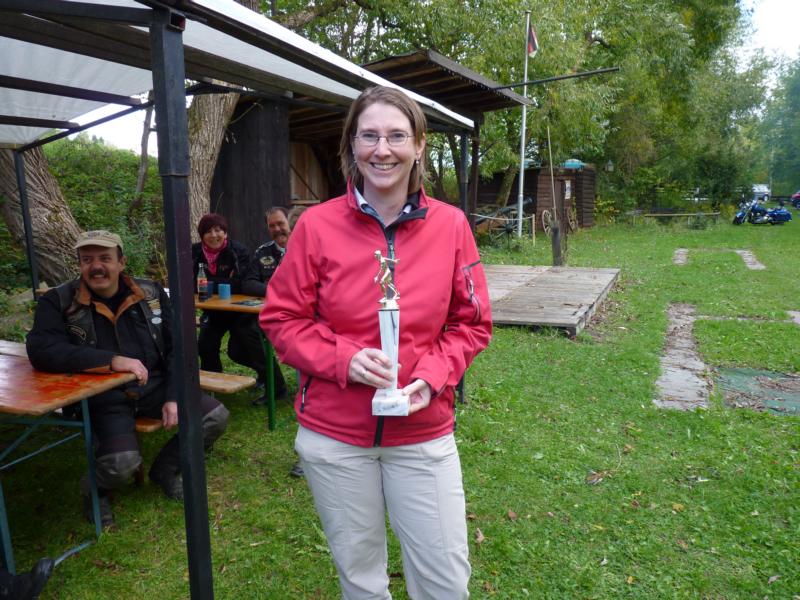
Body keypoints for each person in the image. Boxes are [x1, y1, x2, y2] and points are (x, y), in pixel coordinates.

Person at [260, 86, 492, 599]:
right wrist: (344, 359)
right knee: (360, 578)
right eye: (369, 136)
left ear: (419, 145)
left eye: (396, 136)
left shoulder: (451, 226)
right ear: (352, 145)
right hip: (336, 437)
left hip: (422, 434)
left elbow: (472, 323)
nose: (382, 149)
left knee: (445, 581)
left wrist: (432, 377)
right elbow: (282, 318)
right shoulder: (316, 226)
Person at [27, 230, 229, 528]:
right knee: (121, 465)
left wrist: (174, 396)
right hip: (103, 397)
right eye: (87, 260)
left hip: (154, 386)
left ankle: (165, 469)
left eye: (105, 258)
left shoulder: (151, 293)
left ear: (121, 262)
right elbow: (41, 349)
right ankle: (94, 490)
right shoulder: (58, 300)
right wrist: (110, 360)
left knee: (215, 417)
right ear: (79, 264)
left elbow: (179, 347)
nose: (96, 267)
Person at [193, 214, 268, 390]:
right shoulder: (194, 252)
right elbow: (190, 283)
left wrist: (208, 282)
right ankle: (214, 384)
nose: (213, 235)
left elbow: (242, 284)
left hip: (240, 312)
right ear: (202, 236)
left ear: (225, 233)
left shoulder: (239, 251)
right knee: (205, 345)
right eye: (208, 231)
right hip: (213, 311)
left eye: (218, 230)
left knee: (240, 350)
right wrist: (226, 281)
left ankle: (274, 383)